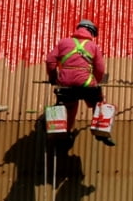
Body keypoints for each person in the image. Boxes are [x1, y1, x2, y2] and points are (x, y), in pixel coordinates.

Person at [46, 19, 115, 147]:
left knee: (70, 107)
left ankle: (65, 133)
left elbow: (50, 61)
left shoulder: (63, 42)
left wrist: (53, 78)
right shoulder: (93, 46)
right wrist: (96, 81)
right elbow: (100, 69)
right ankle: (101, 131)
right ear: (91, 32)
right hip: (86, 84)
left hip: (65, 84)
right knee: (98, 103)